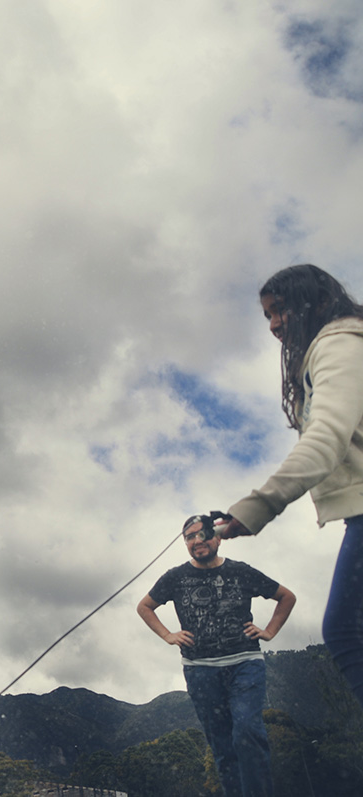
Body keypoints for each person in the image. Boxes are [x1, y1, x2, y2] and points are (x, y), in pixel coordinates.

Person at [217, 264, 363, 708]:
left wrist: (256, 507)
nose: (274, 324)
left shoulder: (340, 343)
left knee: (345, 629)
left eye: (280, 311)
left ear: (317, 302)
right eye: (267, 317)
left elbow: (325, 440)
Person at [137, 514, 296, 797]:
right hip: (200, 670)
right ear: (184, 543)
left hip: (244, 664)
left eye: (204, 534)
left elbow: (286, 597)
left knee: (248, 731)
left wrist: (270, 630)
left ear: (218, 537)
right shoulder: (175, 577)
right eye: (189, 537)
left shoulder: (241, 571)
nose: (197, 541)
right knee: (221, 746)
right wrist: (168, 635)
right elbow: (145, 607)